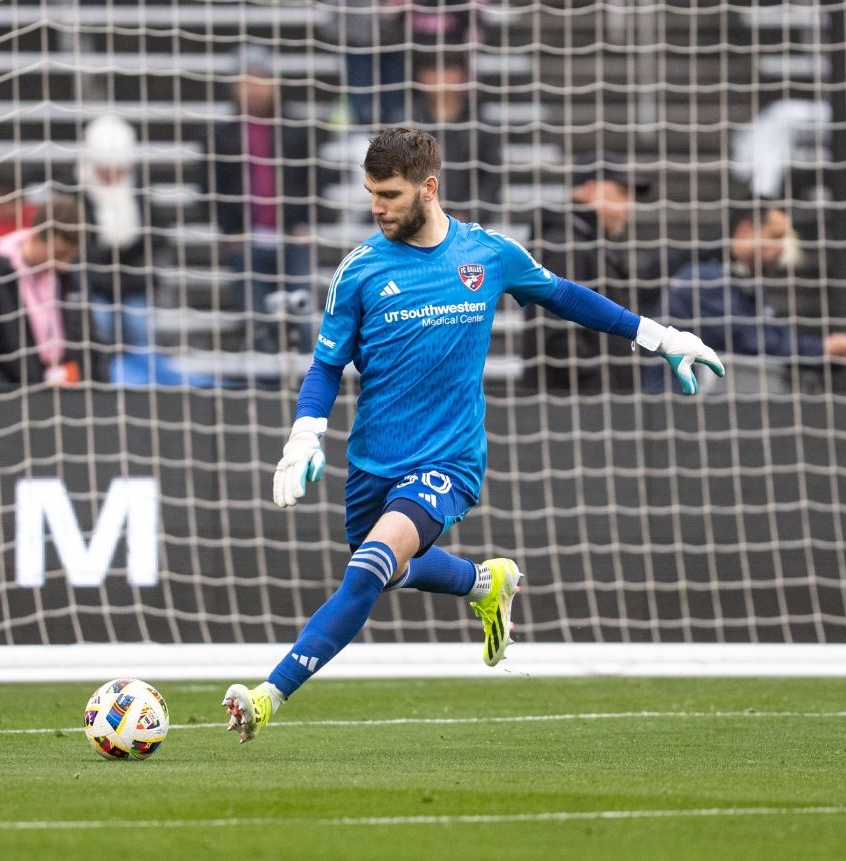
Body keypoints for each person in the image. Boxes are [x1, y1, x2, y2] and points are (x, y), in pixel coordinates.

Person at [221, 127, 724, 743]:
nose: (376, 206)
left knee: (369, 569)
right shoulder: (359, 271)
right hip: (374, 461)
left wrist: (661, 337)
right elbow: (328, 365)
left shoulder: (486, 254)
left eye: (390, 194)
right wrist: (304, 438)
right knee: (391, 566)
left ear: (428, 188)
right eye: (370, 193)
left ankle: (269, 695)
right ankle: (486, 583)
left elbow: (566, 297)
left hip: (450, 461)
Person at [654, 200, 846, 390]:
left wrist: (824, 351)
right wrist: (821, 348)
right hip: (675, 406)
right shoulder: (703, 278)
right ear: (745, 232)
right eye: (776, 237)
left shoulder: (744, 281)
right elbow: (751, 341)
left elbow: (769, 335)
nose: (782, 249)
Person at [198, 46, 329, 353]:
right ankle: (264, 384)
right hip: (246, 240)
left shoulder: (297, 129)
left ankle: (312, 383)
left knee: (305, 317)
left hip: (291, 238)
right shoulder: (220, 135)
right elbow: (207, 188)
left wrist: (303, 223)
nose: (254, 88)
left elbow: (318, 180)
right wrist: (229, 230)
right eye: (246, 80)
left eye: (260, 79)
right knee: (255, 320)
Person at [522, 152, 672, 392]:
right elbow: (558, 338)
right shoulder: (564, 245)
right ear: (589, 189)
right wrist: (604, 395)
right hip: (576, 414)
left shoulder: (588, 245)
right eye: (621, 193)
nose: (629, 207)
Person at [0, 192, 109, 389]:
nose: (64, 264)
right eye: (60, 254)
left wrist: (95, 394)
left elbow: (92, 342)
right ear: (37, 237)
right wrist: (14, 400)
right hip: (14, 404)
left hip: (71, 398)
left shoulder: (70, 276)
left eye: (71, 256)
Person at [78, 114, 176, 382]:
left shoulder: (138, 193)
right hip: (95, 288)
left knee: (138, 325)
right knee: (99, 323)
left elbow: (157, 237)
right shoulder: (78, 194)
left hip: (133, 286)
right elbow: (78, 248)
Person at [410, 52, 501, 224]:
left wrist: (468, 214)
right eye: (433, 71)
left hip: (469, 224)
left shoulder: (479, 125)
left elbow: (491, 179)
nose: (441, 79)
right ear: (420, 77)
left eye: (448, 71)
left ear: (462, 75)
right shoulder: (407, 122)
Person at [324, 0, 407, 128]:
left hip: (398, 33)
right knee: (359, 90)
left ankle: (388, 133)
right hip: (356, 31)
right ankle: (362, 131)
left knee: (393, 96)